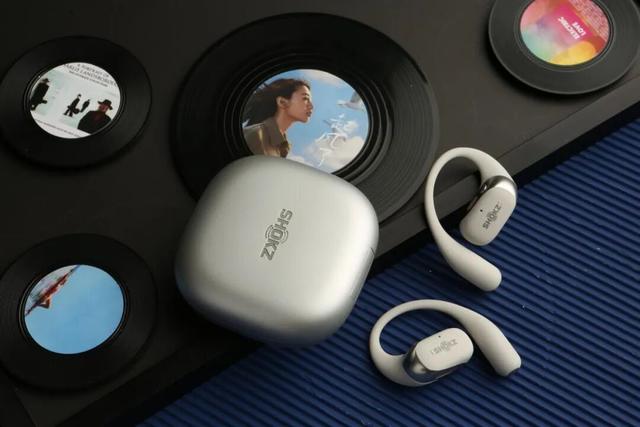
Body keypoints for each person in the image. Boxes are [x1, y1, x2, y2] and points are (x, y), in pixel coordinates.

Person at [242, 78, 313, 158]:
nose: (311, 106)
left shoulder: (282, 147)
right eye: (305, 98)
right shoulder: (255, 135)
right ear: (282, 102)